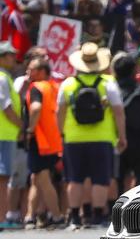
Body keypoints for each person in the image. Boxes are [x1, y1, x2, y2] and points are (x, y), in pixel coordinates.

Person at [57, 43, 126, 229]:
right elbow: (119, 112)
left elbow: (60, 111)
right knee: (100, 179)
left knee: (75, 178)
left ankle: (75, 217)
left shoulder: (68, 84)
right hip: (102, 138)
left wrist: (61, 132)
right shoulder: (107, 83)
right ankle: (98, 216)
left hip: (73, 138)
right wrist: (122, 136)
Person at [24, 57, 62, 228]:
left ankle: (56, 216)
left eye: (31, 69)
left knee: (43, 179)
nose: (28, 72)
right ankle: (31, 216)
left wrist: (30, 129)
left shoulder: (36, 88)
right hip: (53, 141)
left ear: (41, 72)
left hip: (40, 141)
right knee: (36, 178)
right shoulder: (54, 87)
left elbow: (36, 108)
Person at [112, 52, 140, 193]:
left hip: (116, 141)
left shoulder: (110, 91)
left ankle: (116, 211)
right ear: (134, 71)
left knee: (116, 179)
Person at [0, 42, 23, 229]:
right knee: (3, 178)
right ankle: (1, 218)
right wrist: (22, 126)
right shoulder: (1, 78)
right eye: (9, 55)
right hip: (3, 135)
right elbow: (7, 108)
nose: (14, 58)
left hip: (5, 135)